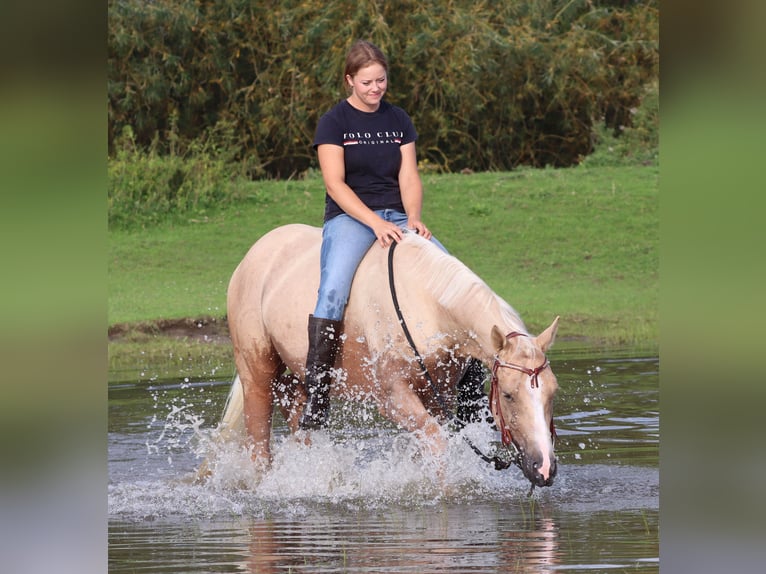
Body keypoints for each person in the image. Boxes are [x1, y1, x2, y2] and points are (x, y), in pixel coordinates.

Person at [300, 39, 486, 430]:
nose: (375, 89)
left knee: (458, 281)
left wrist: (413, 218)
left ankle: (473, 410)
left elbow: (408, 174)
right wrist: (374, 222)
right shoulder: (334, 123)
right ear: (349, 80)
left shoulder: (398, 119)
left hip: (399, 216)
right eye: (366, 82)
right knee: (332, 289)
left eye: (381, 80)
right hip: (351, 218)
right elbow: (335, 184)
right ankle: (317, 399)